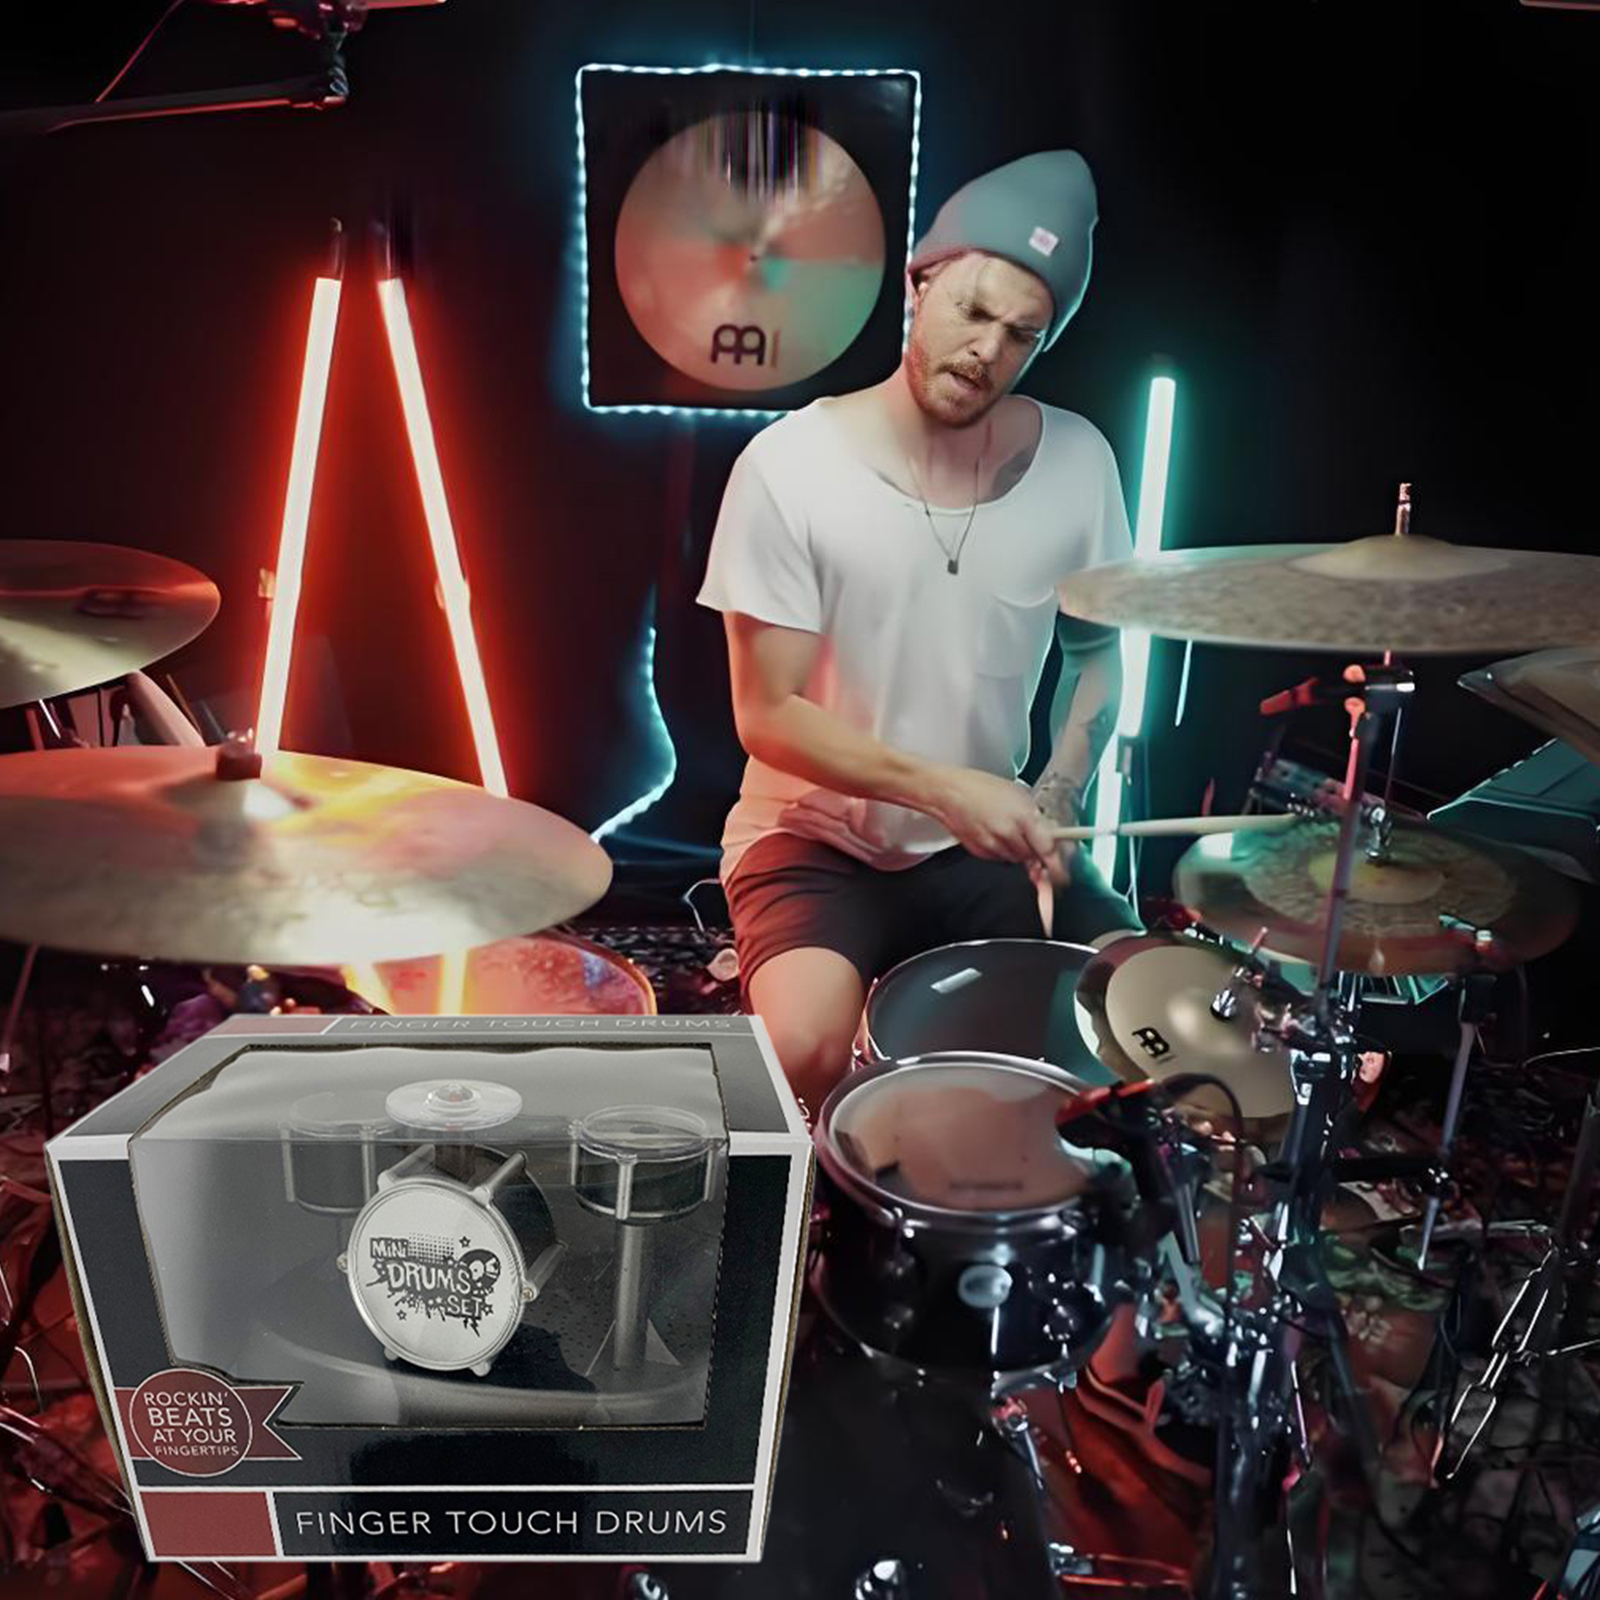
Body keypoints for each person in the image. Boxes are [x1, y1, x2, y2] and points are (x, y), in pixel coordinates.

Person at [698, 149, 1141, 1116]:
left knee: (1143, 1019)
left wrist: (1058, 792)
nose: (987, 349)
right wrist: (945, 788)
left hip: (983, 846)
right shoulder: (788, 467)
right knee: (803, 1053)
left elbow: (1098, 661)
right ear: (921, 282)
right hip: (812, 837)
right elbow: (767, 714)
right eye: (972, 311)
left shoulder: (1080, 462)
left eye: (1021, 333)